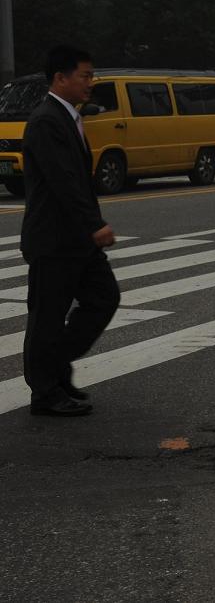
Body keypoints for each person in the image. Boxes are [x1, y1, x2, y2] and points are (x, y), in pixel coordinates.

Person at [21, 44, 120, 417]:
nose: (90, 83)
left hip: (75, 239)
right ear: (60, 78)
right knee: (46, 316)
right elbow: (64, 181)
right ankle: (45, 392)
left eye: (92, 75)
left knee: (104, 297)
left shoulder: (67, 117)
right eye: (85, 75)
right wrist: (94, 225)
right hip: (54, 239)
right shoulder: (47, 120)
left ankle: (55, 366)